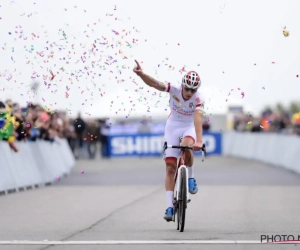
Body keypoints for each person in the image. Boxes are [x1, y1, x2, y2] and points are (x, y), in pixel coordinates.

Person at [133, 60, 205, 222]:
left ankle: (191, 177)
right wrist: (142, 75)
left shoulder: (199, 98)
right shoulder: (174, 89)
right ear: (182, 85)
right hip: (172, 126)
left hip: (188, 127)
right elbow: (154, 84)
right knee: (170, 167)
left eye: (193, 90)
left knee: (187, 147)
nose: (189, 92)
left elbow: (198, 117)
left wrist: (199, 141)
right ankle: (170, 207)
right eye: (187, 88)